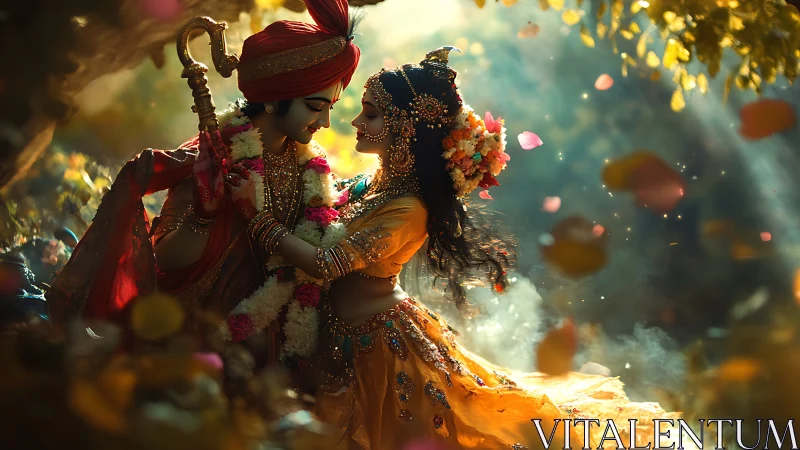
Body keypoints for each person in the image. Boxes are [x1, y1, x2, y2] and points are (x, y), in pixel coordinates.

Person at [227, 47, 683, 449]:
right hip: (337, 340)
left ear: (404, 126)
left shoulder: (409, 208)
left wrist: (257, 218)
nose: (354, 122)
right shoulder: (371, 184)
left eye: (369, 113)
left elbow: (326, 263)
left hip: (380, 352)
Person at [45, 0, 362, 368]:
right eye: (314, 106)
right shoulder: (214, 156)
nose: (324, 122)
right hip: (203, 344)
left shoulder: (311, 168)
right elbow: (166, 260)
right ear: (275, 100)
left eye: (330, 109)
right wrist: (204, 214)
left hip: (280, 348)